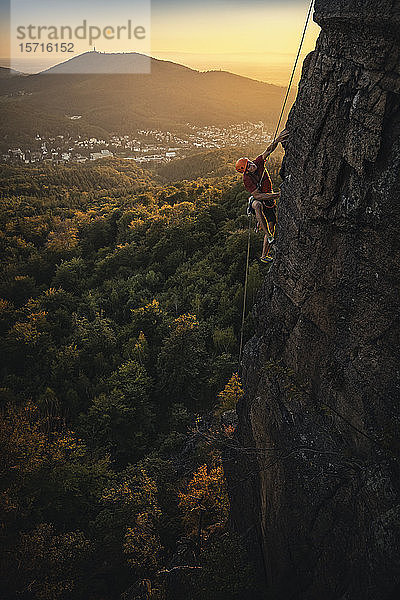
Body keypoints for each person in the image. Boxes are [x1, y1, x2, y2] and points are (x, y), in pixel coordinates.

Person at [235, 129, 288, 263]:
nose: (252, 165)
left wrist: (277, 140)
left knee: (272, 225)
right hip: (258, 199)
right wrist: (277, 195)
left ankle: (264, 255)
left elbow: (268, 151)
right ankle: (268, 235)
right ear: (246, 171)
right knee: (257, 204)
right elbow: (257, 196)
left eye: (251, 163)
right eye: (249, 166)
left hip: (269, 200)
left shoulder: (257, 163)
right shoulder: (247, 179)